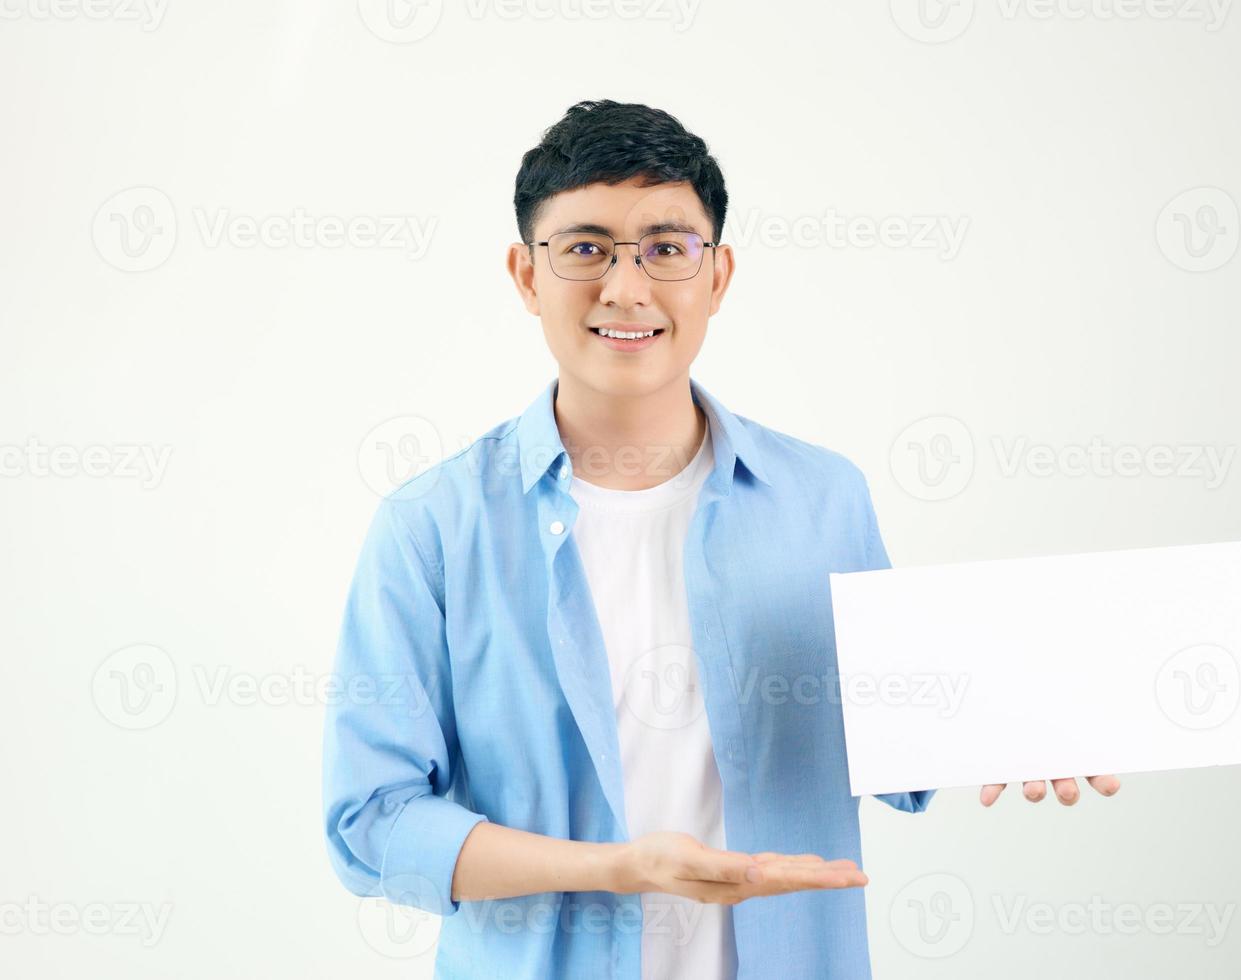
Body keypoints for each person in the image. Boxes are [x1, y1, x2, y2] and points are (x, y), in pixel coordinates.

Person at [321, 99, 1119, 980]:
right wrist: (620, 870)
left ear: (717, 274)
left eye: (666, 248)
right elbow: (372, 824)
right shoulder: (431, 527)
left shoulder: (820, 498)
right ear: (525, 274)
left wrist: (1023, 720)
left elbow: (894, 732)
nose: (626, 288)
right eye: (585, 248)